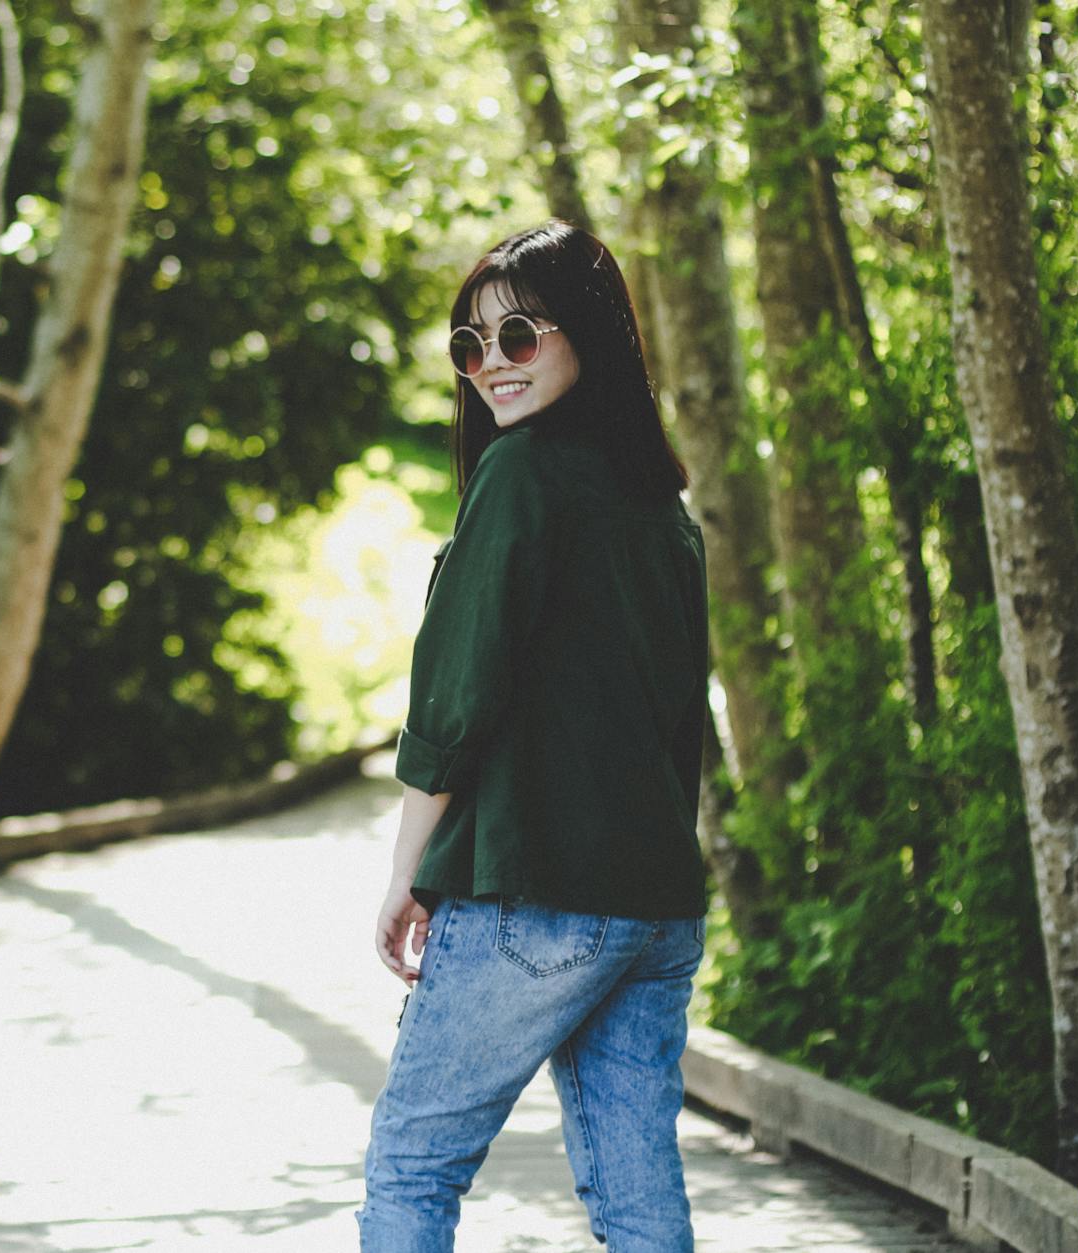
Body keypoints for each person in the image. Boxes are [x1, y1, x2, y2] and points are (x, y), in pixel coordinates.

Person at [354, 218, 712, 1253]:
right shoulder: (661, 507)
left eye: (519, 336)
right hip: (649, 907)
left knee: (413, 1163)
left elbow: (453, 698)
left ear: (587, 333)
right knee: (636, 1195)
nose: (488, 366)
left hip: (535, 892)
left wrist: (404, 868)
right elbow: (673, 721)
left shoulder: (520, 478)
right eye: (469, 346)